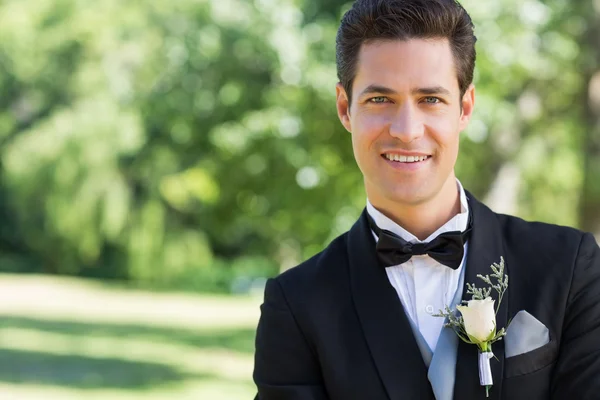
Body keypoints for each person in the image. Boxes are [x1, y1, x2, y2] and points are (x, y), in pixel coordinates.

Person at [252, 0, 600, 399]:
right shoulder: (296, 305)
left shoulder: (571, 266)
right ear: (345, 109)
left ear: (464, 108)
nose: (406, 130)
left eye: (430, 99)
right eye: (380, 100)